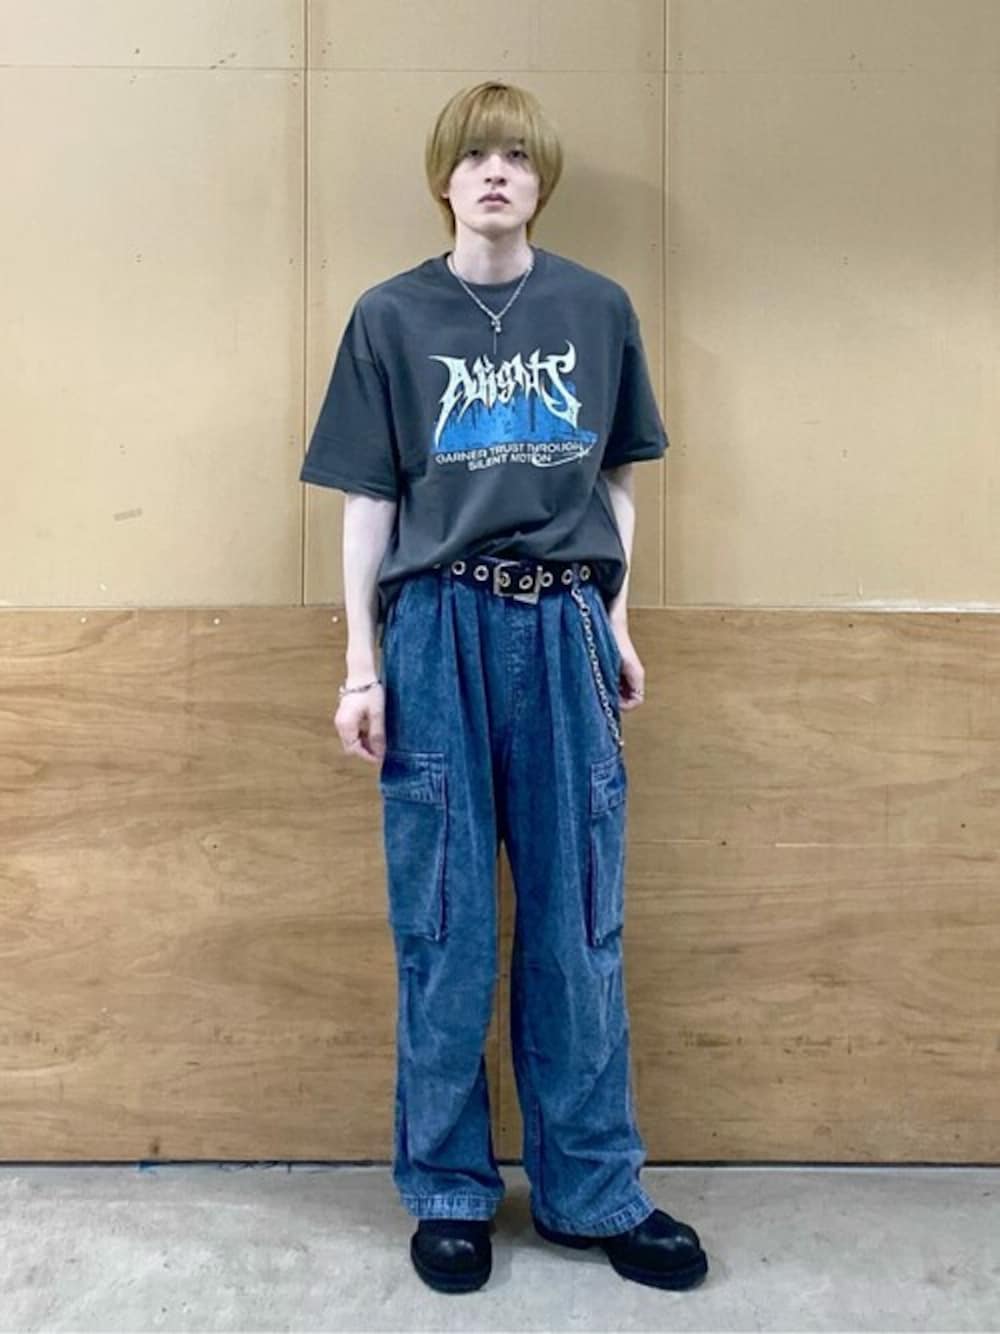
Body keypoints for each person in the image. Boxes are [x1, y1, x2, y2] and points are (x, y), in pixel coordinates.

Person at [299, 79, 708, 1296]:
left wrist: (613, 619)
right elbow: (369, 501)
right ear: (443, 177)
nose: (494, 172)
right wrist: (362, 666)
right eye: (475, 155)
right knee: (444, 925)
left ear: (541, 179)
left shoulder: (595, 307)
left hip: (562, 622)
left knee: (579, 920)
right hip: (437, 627)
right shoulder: (391, 316)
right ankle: (448, 1188)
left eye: (516, 156)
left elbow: (619, 480)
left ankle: (593, 1188)